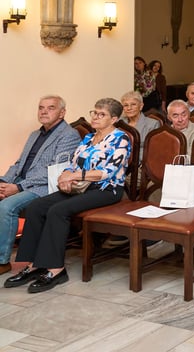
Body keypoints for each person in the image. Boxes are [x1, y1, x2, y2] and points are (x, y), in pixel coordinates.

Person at [5, 98, 131, 293]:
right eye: (94, 112)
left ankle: (56, 269)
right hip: (81, 186)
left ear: (113, 119)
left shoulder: (120, 138)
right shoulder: (89, 138)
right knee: (36, 207)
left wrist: (76, 175)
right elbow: (72, 163)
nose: (95, 117)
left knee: (58, 210)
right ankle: (33, 264)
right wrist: (65, 176)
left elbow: (107, 172)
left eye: (101, 114)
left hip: (106, 189)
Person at [0, 96, 80, 275]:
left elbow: (54, 171)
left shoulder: (69, 135)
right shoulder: (35, 134)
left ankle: (2, 261)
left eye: (50, 108)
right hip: (20, 181)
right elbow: (19, 163)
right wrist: (5, 182)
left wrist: (18, 187)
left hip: (42, 187)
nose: (44, 111)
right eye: (41, 107)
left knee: (6, 206)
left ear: (62, 113)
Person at [120, 91, 160, 160]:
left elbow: (153, 150)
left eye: (133, 104)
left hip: (141, 163)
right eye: (126, 105)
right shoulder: (119, 123)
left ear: (141, 106)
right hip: (119, 161)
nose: (129, 108)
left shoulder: (153, 124)